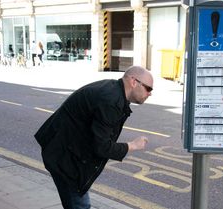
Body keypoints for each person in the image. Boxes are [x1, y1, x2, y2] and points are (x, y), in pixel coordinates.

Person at [34, 66, 153, 209]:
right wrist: (132, 145)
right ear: (134, 82)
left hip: (67, 150)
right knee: (80, 205)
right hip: (64, 157)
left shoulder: (114, 91)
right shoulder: (111, 100)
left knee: (79, 203)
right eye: (148, 88)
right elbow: (102, 147)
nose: (150, 94)